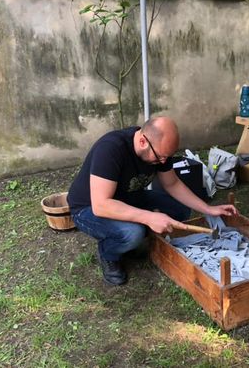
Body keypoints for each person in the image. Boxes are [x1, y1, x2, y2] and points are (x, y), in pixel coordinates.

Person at [67, 116, 239, 286]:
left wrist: (208, 209)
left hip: (129, 197)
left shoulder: (159, 148)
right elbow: (101, 205)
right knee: (132, 233)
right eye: (160, 157)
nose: (163, 162)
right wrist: (149, 217)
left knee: (180, 210)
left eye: (167, 157)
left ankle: (131, 241)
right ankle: (108, 253)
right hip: (88, 208)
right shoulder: (110, 149)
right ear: (143, 142)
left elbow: (172, 184)